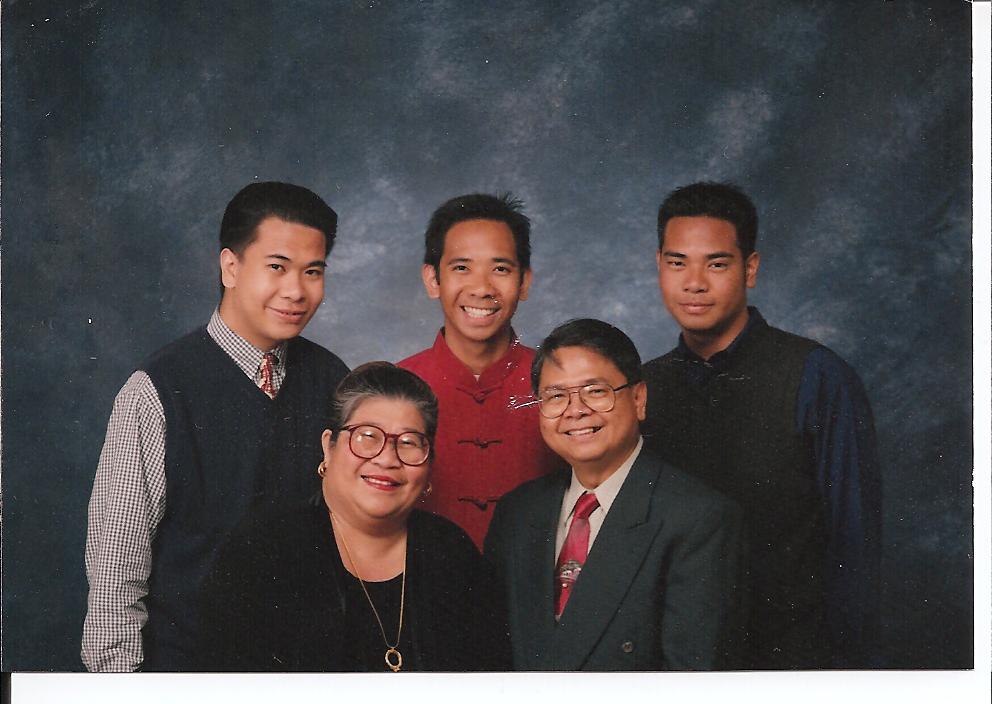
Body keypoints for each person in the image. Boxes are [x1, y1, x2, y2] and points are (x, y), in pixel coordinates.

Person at [81, 182, 350, 671]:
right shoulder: (156, 389)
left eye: (313, 272)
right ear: (230, 266)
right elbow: (115, 575)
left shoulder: (334, 381)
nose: (296, 290)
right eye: (277, 267)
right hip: (188, 676)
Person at [642, 181, 881, 669]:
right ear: (659, 266)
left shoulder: (817, 376)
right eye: (677, 262)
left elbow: (854, 547)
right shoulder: (644, 387)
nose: (694, 282)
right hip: (672, 663)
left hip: (791, 661)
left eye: (716, 263)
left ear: (750, 268)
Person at [197, 362, 510, 671]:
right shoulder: (262, 548)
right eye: (367, 436)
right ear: (328, 448)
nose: (387, 459)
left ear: (429, 466)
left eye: (409, 443)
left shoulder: (452, 552)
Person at [484, 319, 746, 671]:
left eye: (595, 391)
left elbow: (691, 680)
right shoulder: (518, 512)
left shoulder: (698, 519)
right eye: (556, 396)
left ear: (638, 399)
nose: (575, 411)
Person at [398, 193, 562, 548]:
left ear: (525, 282)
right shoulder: (394, 388)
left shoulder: (560, 383)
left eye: (500, 269)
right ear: (432, 279)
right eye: (461, 268)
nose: (482, 288)